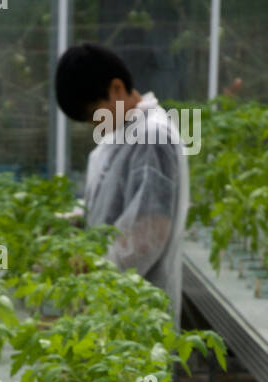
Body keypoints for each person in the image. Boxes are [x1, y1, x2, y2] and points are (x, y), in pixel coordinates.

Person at [55, 43, 189, 324]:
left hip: (140, 313)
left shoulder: (152, 136)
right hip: (114, 306)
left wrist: (93, 265)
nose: (94, 125)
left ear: (117, 88)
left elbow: (149, 232)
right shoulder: (122, 134)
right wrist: (75, 220)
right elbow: (114, 206)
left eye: (94, 114)